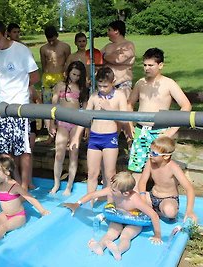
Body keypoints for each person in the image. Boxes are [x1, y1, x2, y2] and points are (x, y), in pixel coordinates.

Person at [0, 20, 39, 190]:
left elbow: (35, 77)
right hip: (1, 105)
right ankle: (12, 183)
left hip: (20, 103)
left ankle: (25, 183)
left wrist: (22, 88)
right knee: (3, 147)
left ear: (6, 35)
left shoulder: (21, 50)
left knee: (24, 148)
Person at [62, 172, 162, 261]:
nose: (110, 190)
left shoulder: (135, 200)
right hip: (118, 216)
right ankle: (99, 247)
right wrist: (77, 204)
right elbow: (93, 195)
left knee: (126, 236)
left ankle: (119, 250)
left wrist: (157, 235)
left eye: (113, 190)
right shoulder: (112, 190)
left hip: (134, 220)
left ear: (126, 193)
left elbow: (153, 215)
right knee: (111, 233)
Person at [127, 48, 192, 182]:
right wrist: (129, 125)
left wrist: (171, 131)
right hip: (140, 131)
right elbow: (130, 104)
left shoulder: (169, 83)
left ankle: (163, 197)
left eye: (151, 65)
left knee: (161, 171)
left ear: (160, 65)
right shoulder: (140, 83)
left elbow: (186, 105)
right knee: (136, 168)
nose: (147, 68)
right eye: (145, 65)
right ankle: (136, 198)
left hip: (160, 133)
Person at [69, 67, 130, 206]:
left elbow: (125, 120)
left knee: (110, 174)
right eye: (99, 85)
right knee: (92, 173)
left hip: (110, 138)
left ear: (113, 82)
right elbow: (84, 118)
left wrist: (110, 109)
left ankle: (110, 202)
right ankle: (89, 202)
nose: (102, 89)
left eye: (105, 86)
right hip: (95, 138)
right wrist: (76, 137)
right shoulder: (94, 97)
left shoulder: (119, 96)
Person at [49, 61, 88, 195]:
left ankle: (69, 186)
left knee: (73, 154)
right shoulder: (60, 86)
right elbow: (52, 106)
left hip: (76, 123)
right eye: (73, 74)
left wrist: (86, 129)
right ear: (68, 72)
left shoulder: (82, 89)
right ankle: (56, 183)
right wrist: (51, 124)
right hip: (62, 122)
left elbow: (85, 110)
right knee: (59, 154)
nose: (75, 77)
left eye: (78, 75)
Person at [138, 136, 197, 223]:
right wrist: (142, 198)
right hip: (151, 196)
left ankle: (156, 212)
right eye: (149, 151)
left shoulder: (173, 167)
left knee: (169, 212)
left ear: (165, 156)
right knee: (132, 196)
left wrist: (189, 211)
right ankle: (153, 211)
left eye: (154, 153)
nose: (150, 155)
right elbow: (142, 182)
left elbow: (189, 188)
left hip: (168, 199)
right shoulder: (150, 162)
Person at [40, 26, 71, 143]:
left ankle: (64, 135)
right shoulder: (43, 49)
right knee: (47, 108)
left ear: (57, 36)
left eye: (53, 39)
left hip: (60, 78)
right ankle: (50, 134)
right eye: (49, 40)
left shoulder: (65, 47)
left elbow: (69, 63)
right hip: (48, 78)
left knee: (61, 107)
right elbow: (43, 65)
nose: (51, 42)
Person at [101, 20, 135, 98]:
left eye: (109, 30)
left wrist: (105, 56)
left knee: (122, 107)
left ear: (116, 31)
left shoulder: (128, 45)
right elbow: (97, 60)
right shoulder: (108, 46)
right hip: (107, 83)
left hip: (123, 82)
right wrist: (113, 54)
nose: (107, 33)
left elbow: (118, 59)